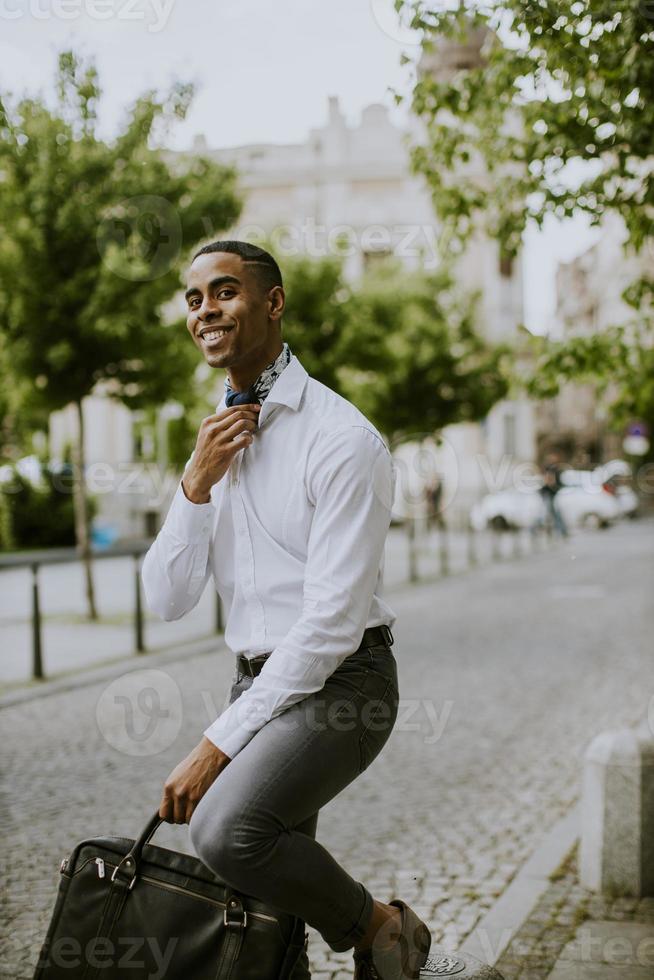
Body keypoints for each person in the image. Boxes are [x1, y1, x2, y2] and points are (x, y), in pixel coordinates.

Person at [141, 241, 432, 980]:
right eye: (195, 297)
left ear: (272, 303)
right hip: (258, 684)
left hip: (344, 684)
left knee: (228, 830)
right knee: (263, 904)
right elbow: (166, 599)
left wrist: (216, 743)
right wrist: (193, 487)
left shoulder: (342, 440)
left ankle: (384, 929)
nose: (206, 309)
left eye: (226, 291)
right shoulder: (216, 434)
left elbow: (332, 624)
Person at [538, 453, 568, 537]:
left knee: (551, 513)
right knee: (551, 513)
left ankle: (557, 530)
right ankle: (558, 530)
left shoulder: (553, 469)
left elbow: (550, 481)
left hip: (550, 494)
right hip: (549, 493)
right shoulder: (553, 468)